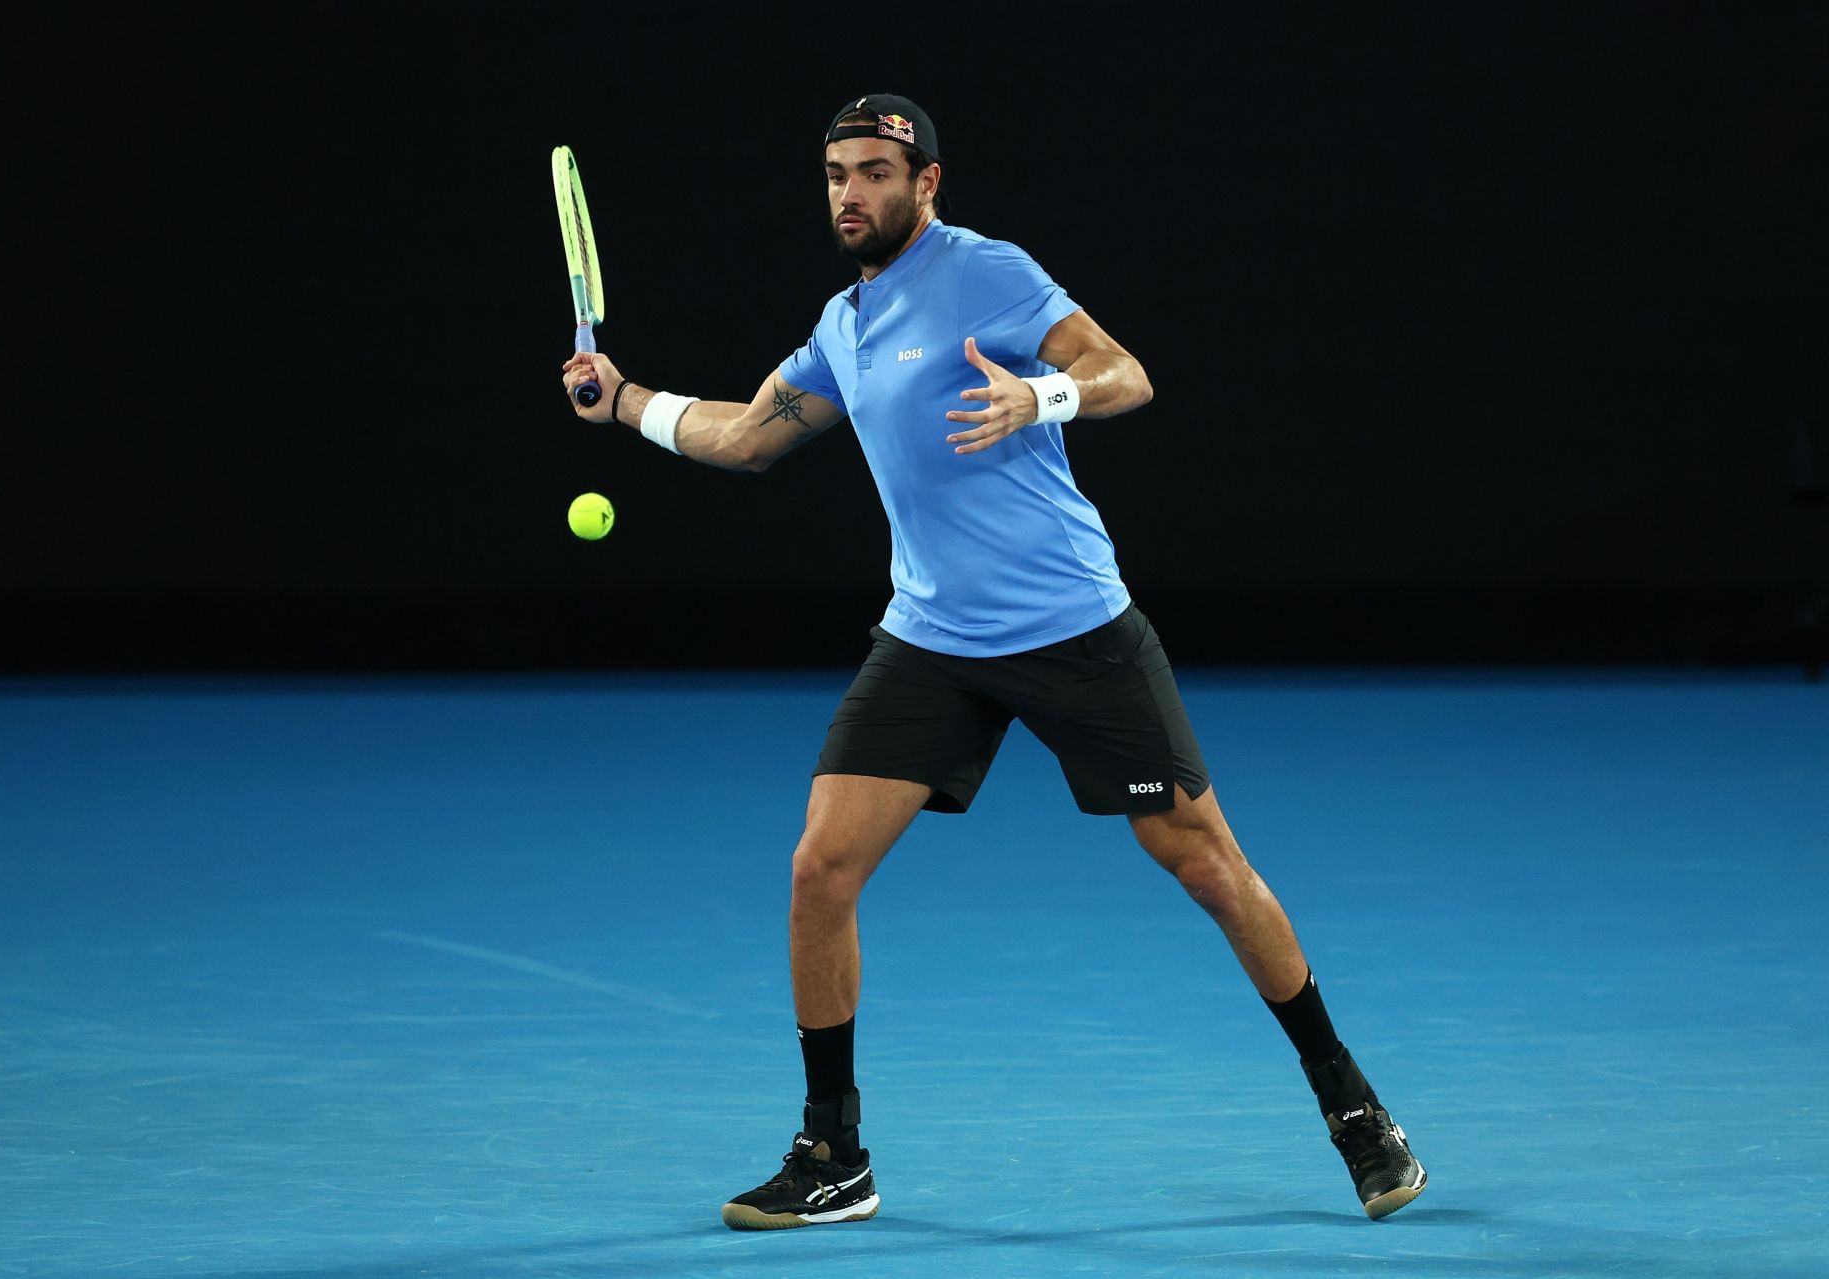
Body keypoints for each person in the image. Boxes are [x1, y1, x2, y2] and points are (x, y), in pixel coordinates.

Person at [561, 93, 1427, 1229]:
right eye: (835, 175)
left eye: (874, 172)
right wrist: (625, 401)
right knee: (820, 869)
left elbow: (1126, 373)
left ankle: (1352, 1104)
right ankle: (835, 1150)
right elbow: (752, 436)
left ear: (926, 183)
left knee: (1204, 861)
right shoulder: (844, 324)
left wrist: (1042, 395)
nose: (851, 193)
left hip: (1071, 626)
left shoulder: (989, 274)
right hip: (931, 641)